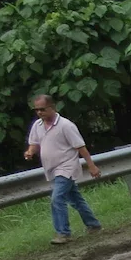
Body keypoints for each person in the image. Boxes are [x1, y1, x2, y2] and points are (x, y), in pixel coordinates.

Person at [24, 94, 102, 245]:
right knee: (75, 199)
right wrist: (30, 152)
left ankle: (63, 233)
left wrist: (91, 165)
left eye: (42, 109)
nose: (39, 113)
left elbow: (80, 147)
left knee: (57, 198)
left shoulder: (66, 125)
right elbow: (34, 143)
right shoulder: (37, 125)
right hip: (52, 169)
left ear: (52, 108)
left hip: (67, 167)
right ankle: (93, 224)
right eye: (37, 110)